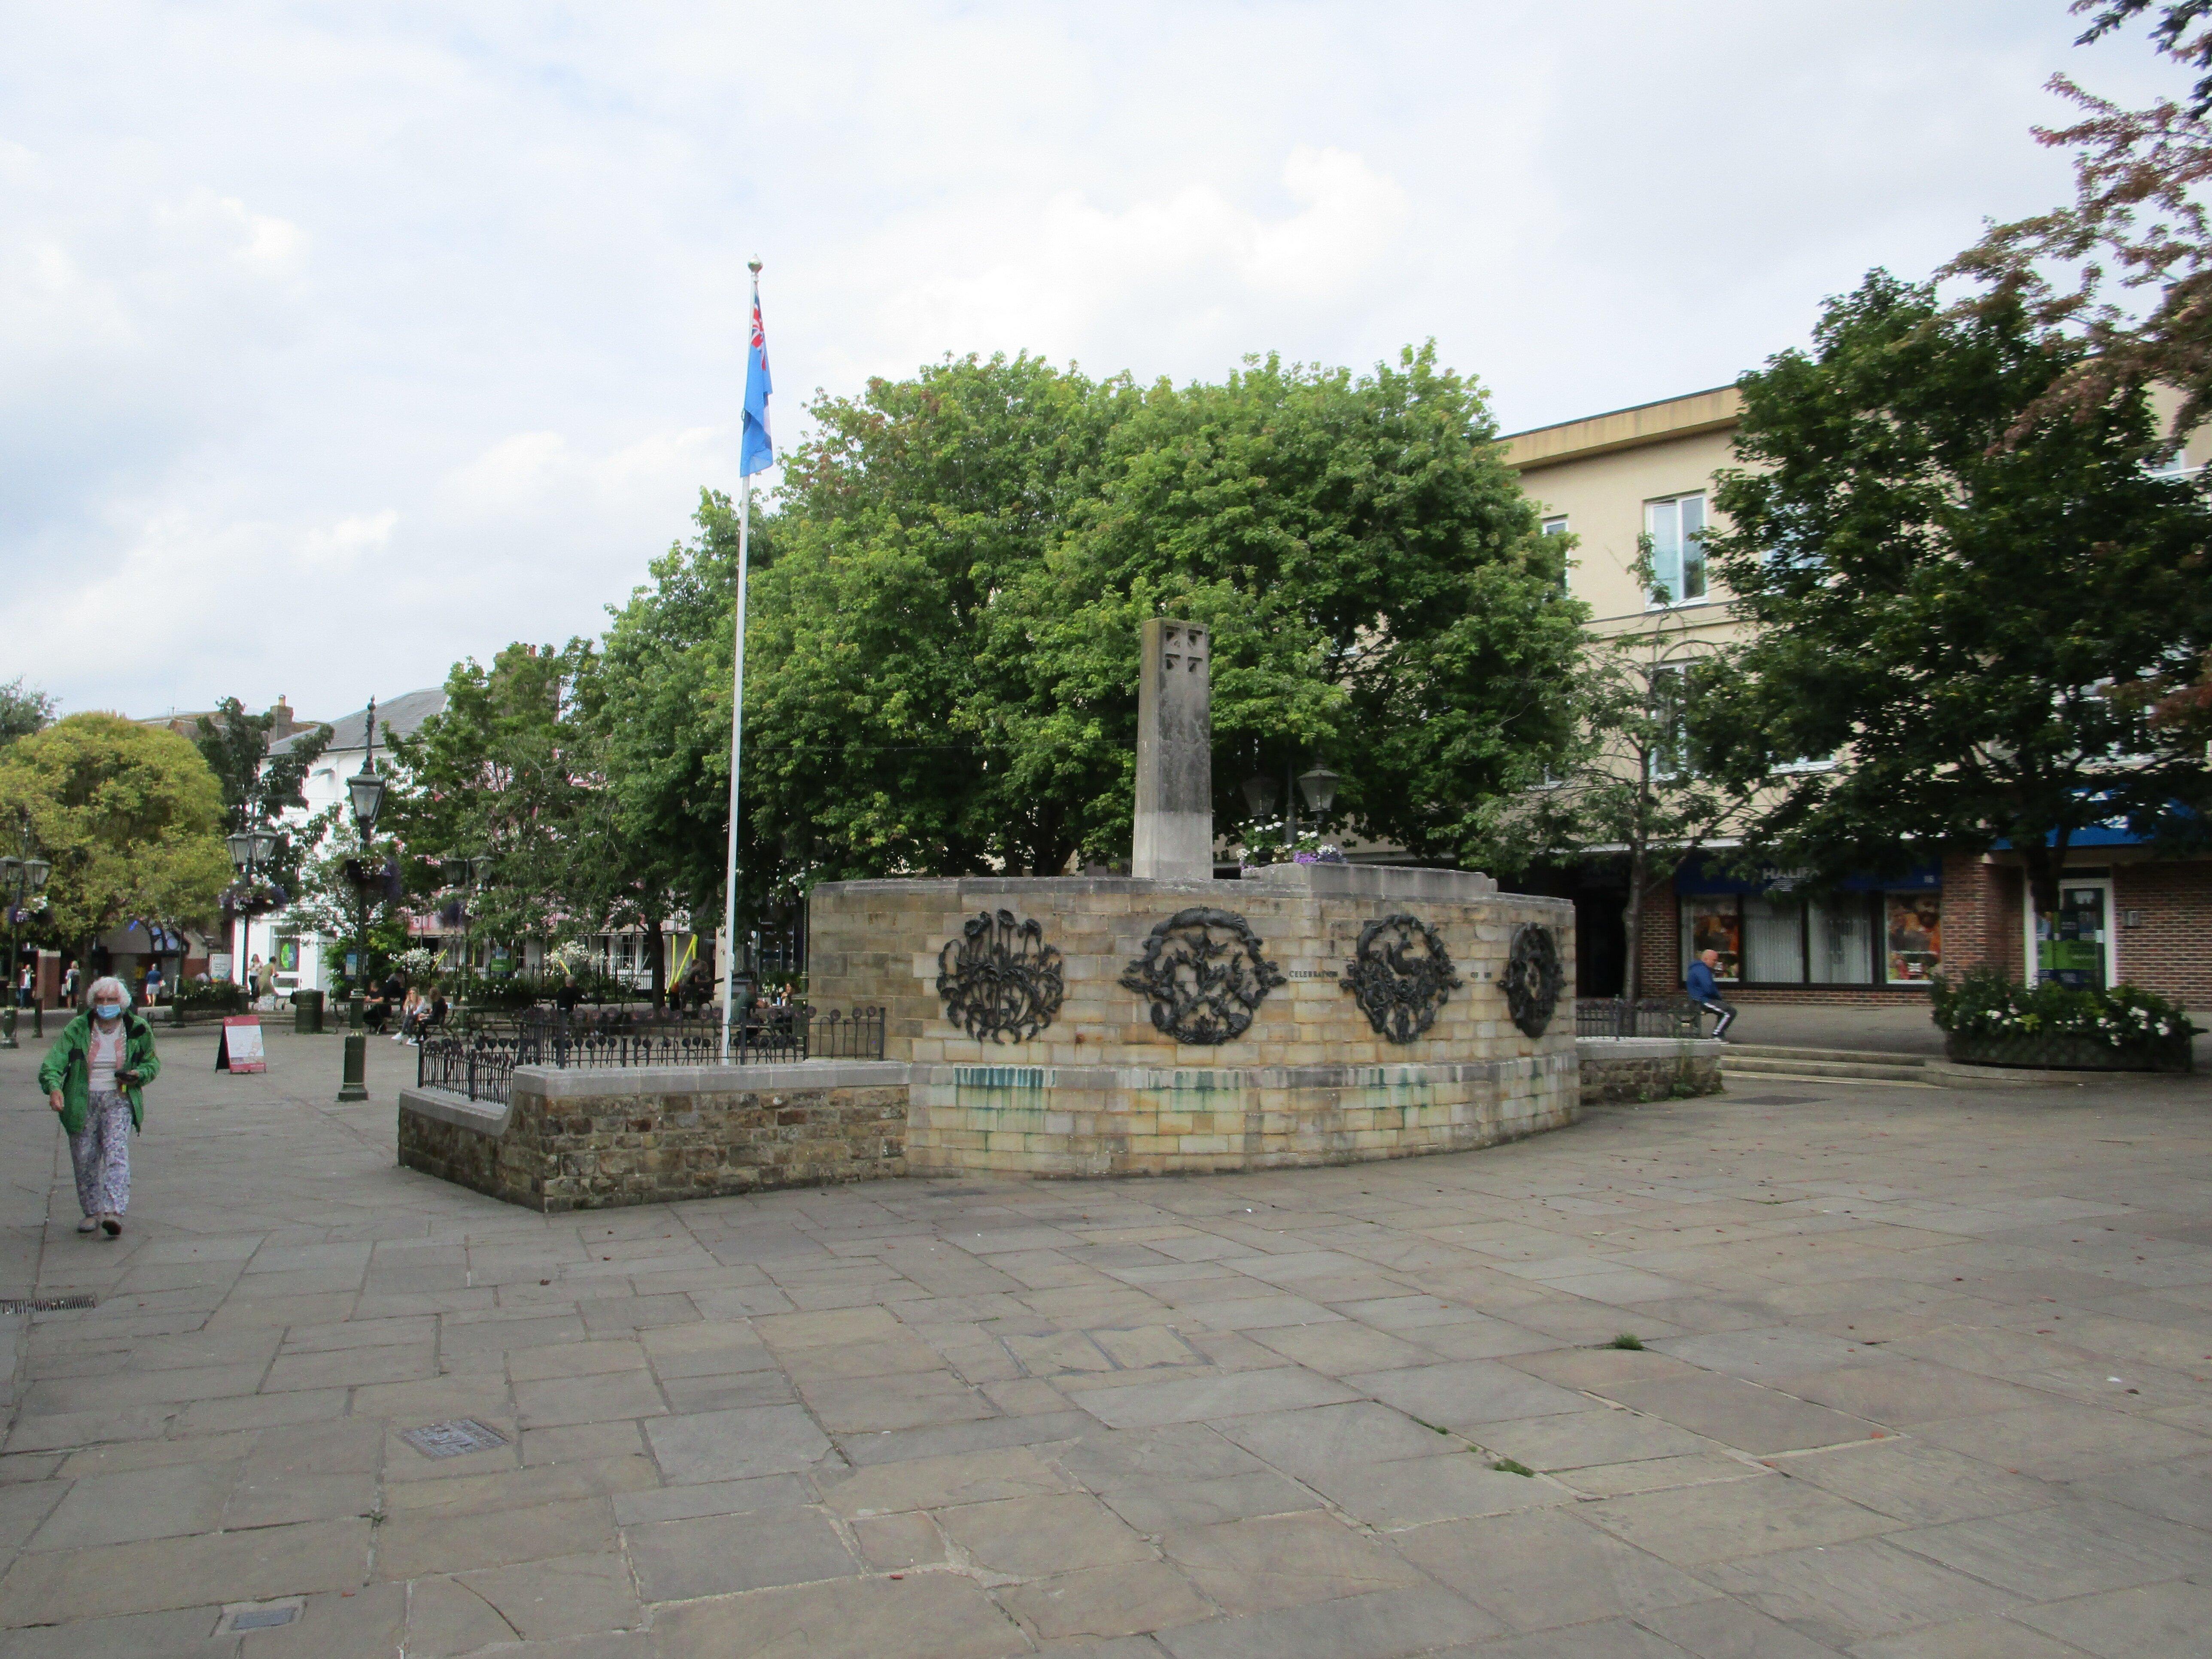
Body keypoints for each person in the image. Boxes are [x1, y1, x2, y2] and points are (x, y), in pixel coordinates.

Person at [37, 975, 159, 1238]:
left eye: (111, 1000)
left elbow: (152, 1063)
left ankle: (114, 1211)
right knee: (84, 1157)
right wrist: (54, 1088)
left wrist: (138, 1075)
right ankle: (92, 1212)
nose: (106, 1005)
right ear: (93, 1002)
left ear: (122, 1002)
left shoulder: (137, 1028)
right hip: (82, 1098)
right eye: (101, 1000)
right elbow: (53, 1064)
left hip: (119, 1097)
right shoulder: (78, 1028)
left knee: (117, 1153)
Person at [1686, 948, 1738, 1041]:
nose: (1716, 963)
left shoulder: (1698, 968)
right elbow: (1708, 988)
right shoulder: (1702, 970)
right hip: (1702, 1000)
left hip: (1698, 999)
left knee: (1724, 1009)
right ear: (1706, 959)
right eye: (1714, 960)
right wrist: (1719, 997)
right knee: (1730, 1012)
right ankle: (1717, 1035)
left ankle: (1719, 1033)